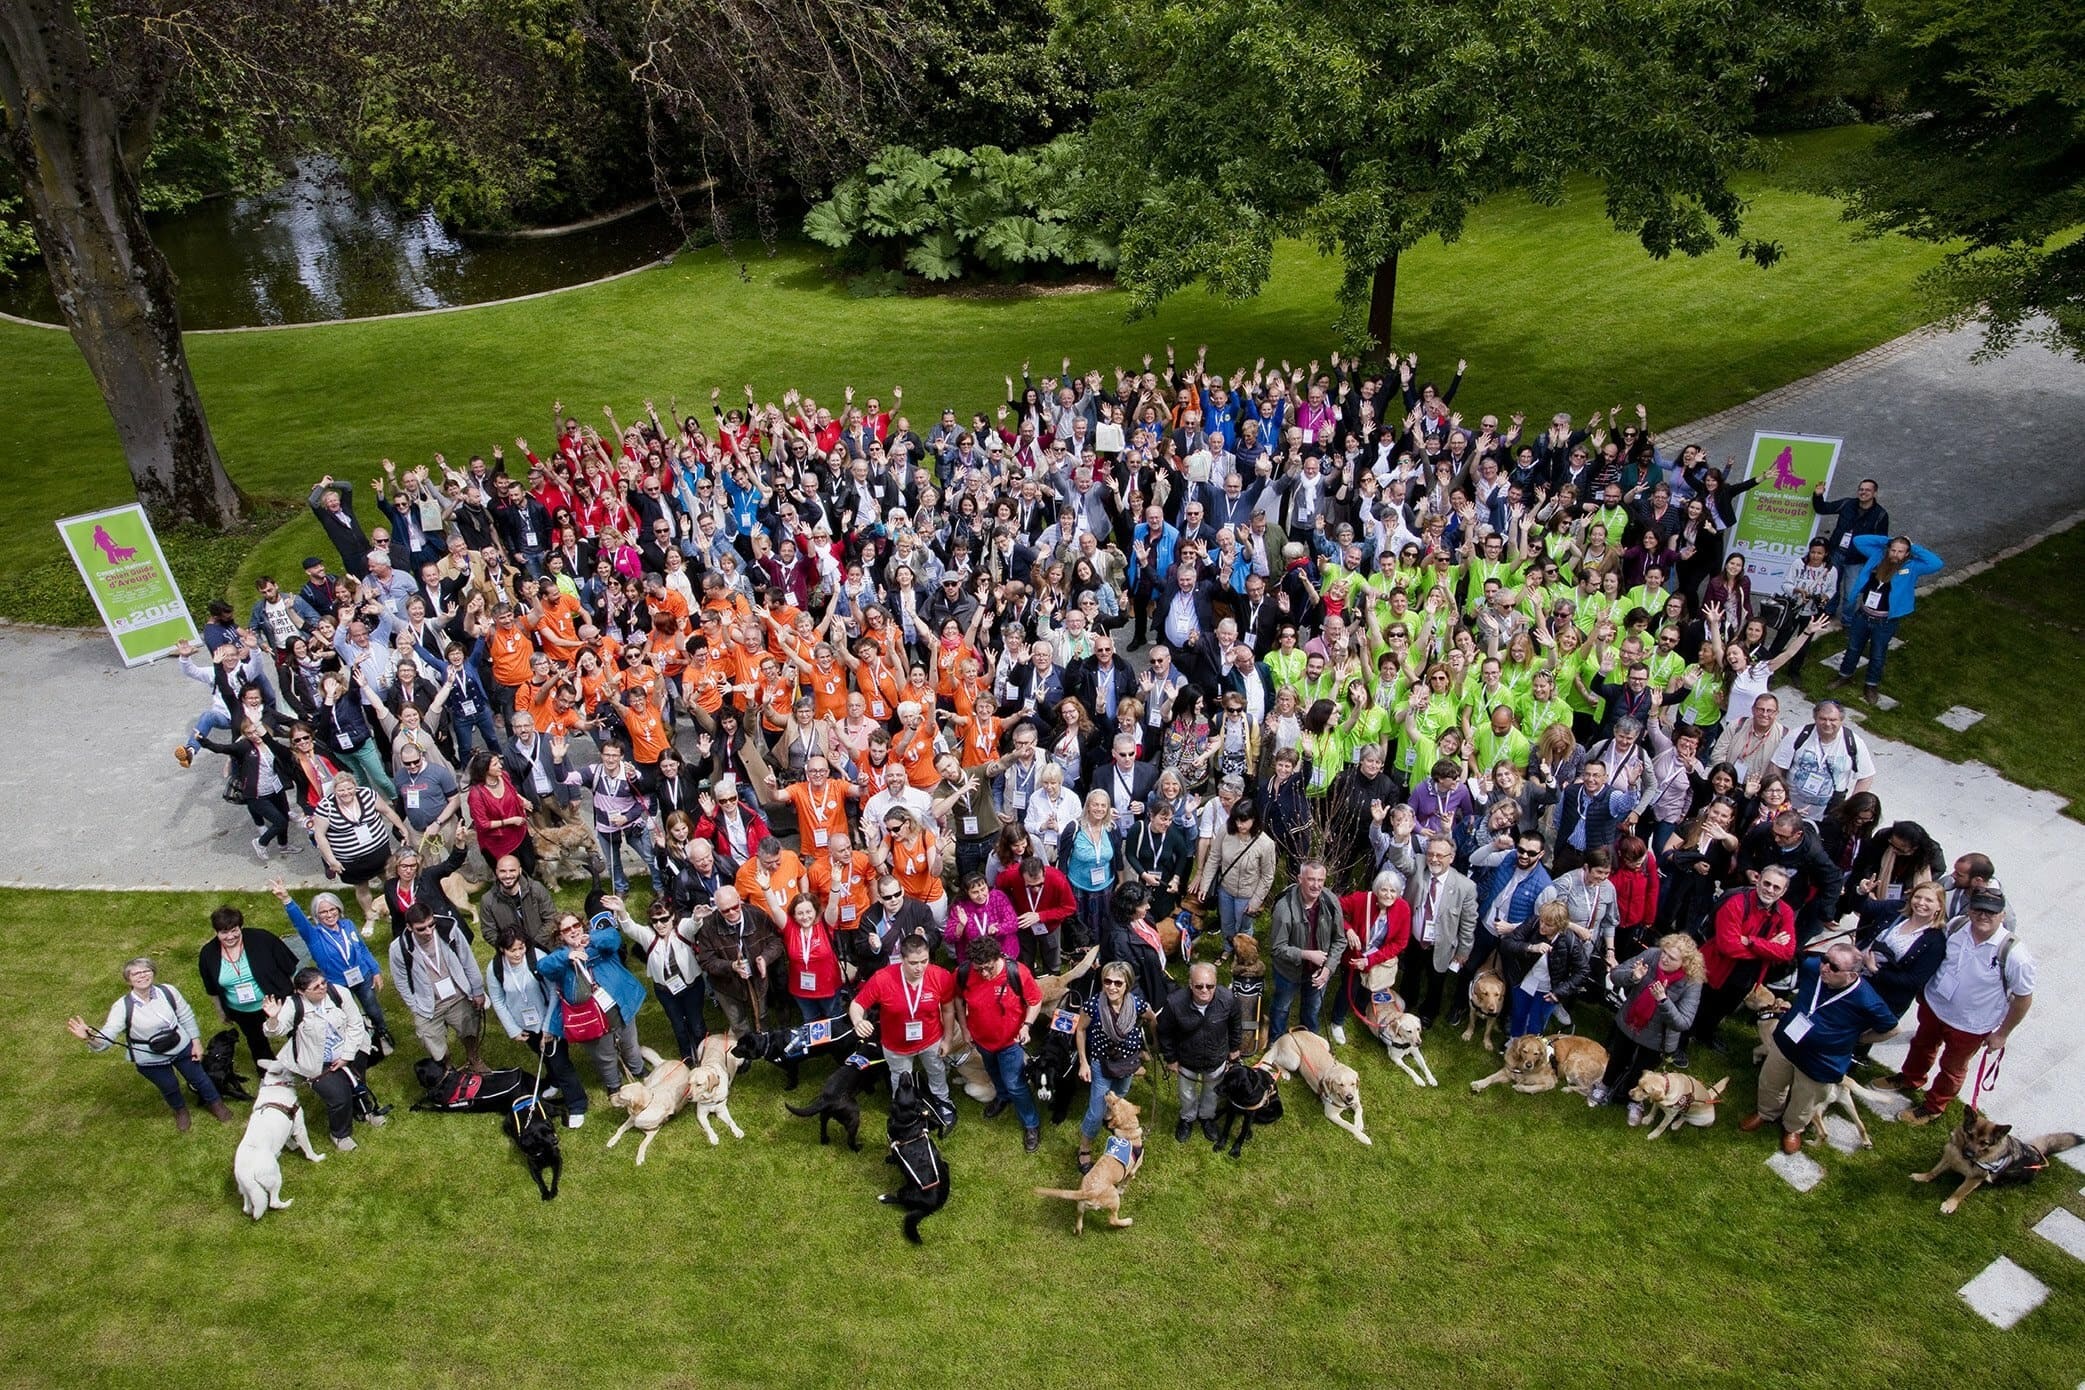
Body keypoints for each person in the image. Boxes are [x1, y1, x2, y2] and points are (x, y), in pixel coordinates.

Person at [1878, 888, 2036, 1126]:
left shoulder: (2015, 955)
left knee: (1952, 1067)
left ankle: (1934, 1106)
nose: (1983, 916)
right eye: (1978, 909)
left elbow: (2023, 999)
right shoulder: (1957, 926)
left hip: (1971, 1024)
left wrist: (2002, 1034)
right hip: (1935, 1006)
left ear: (2002, 915)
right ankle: (1911, 1078)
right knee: (1921, 1045)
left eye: (1991, 912)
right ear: (1970, 910)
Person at [1740, 943, 1896, 1153]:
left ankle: (1793, 1128)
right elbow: (1795, 955)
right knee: (1771, 1081)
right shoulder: (1814, 967)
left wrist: (1858, 1039)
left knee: (1806, 1099)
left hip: (1821, 1061)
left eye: (1834, 967)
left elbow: (1892, 1029)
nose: (1825, 968)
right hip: (1786, 1043)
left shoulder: (1867, 1000)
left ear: (1851, 975)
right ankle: (1765, 1113)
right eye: (1825, 959)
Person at [65, 957, 233, 1131]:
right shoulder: (122, 1007)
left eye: (146, 971)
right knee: (169, 1086)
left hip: (180, 1046)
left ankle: (216, 1104)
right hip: (149, 1058)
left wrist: (196, 1042)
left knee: (199, 1078)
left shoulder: (168, 991)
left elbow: (186, 1015)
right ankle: (180, 1111)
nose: (142, 976)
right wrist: (90, 1037)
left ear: (153, 973)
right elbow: (109, 1034)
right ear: (128, 979)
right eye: (136, 973)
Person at [262, 965, 388, 1148]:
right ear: (301, 992)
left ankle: (364, 1110)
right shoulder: (293, 1004)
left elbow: (355, 1024)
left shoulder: (339, 993)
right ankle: (340, 1134)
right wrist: (273, 1018)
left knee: (358, 1083)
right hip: (318, 1062)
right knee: (339, 1096)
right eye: (316, 987)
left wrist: (346, 1056)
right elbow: (275, 1032)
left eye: (323, 982)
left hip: (351, 1049)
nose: (323, 988)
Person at [849, 933, 959, 1127]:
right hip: (896, 1045)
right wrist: (858, 1021)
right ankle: (902, 1109)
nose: (919, 968)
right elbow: (857, 1004)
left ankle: (942, 1100)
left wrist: (948, 1039)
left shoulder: (940, 976)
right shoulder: (883, 978)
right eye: (913, 963)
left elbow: (948, 1009)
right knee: (900, 1080)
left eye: (924, 961)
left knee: (936, 1071)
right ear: (901, 958)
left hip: (931, 1039)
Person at [272, 881, 394, 1054]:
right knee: (346, 1015)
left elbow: (362, 949)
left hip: (363, 976)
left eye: (332, 909)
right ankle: (356, 1042)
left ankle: (382, 1032)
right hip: (337, 984)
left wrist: (375, 970)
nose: (329, 915)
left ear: (338, 909)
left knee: (373, 1008)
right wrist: (286, 899)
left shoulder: (348, 925)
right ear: (317, 915)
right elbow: (299, 921)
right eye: (323, 912)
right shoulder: (314, 935)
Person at [485, 930, 591, 1128]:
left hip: (549, 1019)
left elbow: (553, 992)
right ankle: (554, 1082)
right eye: (512, 950)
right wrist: (513, 1029)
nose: (518, 954)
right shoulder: (495, 968)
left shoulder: (538, 958)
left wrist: (548, 1027)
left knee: (560, 1062)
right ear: (501, 950)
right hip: (525, 1024)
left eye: (521, 948)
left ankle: (577, 1105)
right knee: (542, 1053)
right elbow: (498, 1000)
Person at [1593, 934, 1706, 1116]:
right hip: (1629, 1023)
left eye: (1672, 958)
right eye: (1665, 953)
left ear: (1685, 963)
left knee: (1642, 1070)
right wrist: (1633, 976)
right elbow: (1615, 974)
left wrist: (1663, 1001)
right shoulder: (1652, 955)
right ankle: (1604, 1086)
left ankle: (1634, 1101)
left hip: (1657, 1038)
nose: (1665, 958)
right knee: (1618, 1058)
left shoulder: (1692, 982)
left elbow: (1684, 1022)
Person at [1690, 865, 1798, 1054]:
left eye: (1776, 887)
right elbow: (1728, 946)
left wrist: (1751, 941)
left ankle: (1705, 1034)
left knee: (1725, 1006)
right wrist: (1769, 945)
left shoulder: (1785, 912)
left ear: (1784, 891)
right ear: (1758, 880)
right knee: (1700, 1004)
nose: (1770, 890)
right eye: (1767, 883)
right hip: (1716, 967)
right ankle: (1682, 1040)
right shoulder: (1736, 902)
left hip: (1748, 974)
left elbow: (1788, 952)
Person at [537, 910, 649, 1092]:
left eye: (576, 925)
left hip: (618, 1005)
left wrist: (592, 940)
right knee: (605, 1055)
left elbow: (614, 938)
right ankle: (614, 1085)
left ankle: (638, 1069)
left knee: (630, 1042)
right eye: (567, 929)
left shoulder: (596, 940)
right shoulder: (560, 957)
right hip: (588, 1016)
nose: (573, 931)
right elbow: (543, 967)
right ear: (560, 936)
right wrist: (567, 957)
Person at [955, 937, 1044, 1152]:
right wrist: (965, 1028)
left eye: (988, 968)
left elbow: (1035, 1001)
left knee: (1015, 1083)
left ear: (999, 957)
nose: (984, 974)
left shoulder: (1017, 972)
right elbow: (958, 999)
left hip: (1010, 1042)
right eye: (979, 969)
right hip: (982, 1040)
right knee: (993, 1072)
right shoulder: (964, 973)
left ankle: (1031, 1123)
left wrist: (1026, 1026)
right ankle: (1002, 1097)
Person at [1832, 533, 1943, 702]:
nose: (1895, 554)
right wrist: (1888, 541)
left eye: (1901, 551)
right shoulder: (1877, 556)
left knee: (1877, 653)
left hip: (1885, 621)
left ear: (1907, 553)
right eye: (1893, 550)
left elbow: (1936, 563)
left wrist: (1914, 546)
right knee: (1853, 647)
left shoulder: (1912, 566)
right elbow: (1859, 541)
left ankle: (1871, 685)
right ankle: (1844, 675)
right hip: (1863, 614)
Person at [1072, 961, 1157, 1171]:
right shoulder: (1093, 1006)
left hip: (1127, 1065)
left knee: (1120, 1095)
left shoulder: (1136, 1004)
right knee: (1096, 1111)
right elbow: (1080, 1030)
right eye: (1107, 981)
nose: (1111, 987)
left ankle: (1111, 1118)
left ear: (1127, 985)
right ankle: (1084, 1148)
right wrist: (1084, 1062)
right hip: (1102, 1064)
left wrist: (1154, 1042)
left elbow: (1152, 1017)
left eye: (1118, 983)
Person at [386, 901, 489, 1072]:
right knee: (432, 1042)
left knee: (470, 1030)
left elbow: (468, 960)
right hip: (428, 1005)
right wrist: (415, 1006)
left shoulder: (448, 929)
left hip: (458, 996)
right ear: (409, 927)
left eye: (431, 925)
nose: (428, 931)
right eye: (421, 928)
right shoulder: (398, 948)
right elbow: (401, 981)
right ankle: (448, 1069)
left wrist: (477, 990)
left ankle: (474, 1058)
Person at [196, 905, 300, 1070]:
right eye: (224, 932)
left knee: (295, 1032)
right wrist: (221, 1011)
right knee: (256, 1040)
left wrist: (296, 997)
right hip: (242, 1010)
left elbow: (289, 967)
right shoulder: (208, 954)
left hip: (276, 999)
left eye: (234, 930)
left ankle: (303, 1062)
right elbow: (212, 988)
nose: (230, 936)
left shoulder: (262, 939)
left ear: (240, 927)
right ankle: (268, 1072)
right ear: (216, 932)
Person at [1393, 836, 1478, 1027]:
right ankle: (1404, 1004)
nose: (1434, 859)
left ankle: (1428, 1013)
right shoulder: (1419, 866)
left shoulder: (1465, 887)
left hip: (1441, 945)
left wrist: (1464, 951)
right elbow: (1399, 860)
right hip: (1415, 939)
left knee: (1436, 981)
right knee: (1410, 976)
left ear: (1451, 857)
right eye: (1430, 853)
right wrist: (1399, 838)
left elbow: (1468, 922)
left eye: (1440, 855)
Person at [1158, 962, 1243, 1143]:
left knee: (1212, 1092)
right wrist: (1171, 1058)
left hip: (1216, 1058)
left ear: (1216, 983)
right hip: (1186, 1059)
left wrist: (1234, 1048)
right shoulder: (1174, 1003)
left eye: (1210, 986)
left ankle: (1206, 1117)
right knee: (1186, 1093)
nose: (1205, 990)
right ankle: (1187, 1118)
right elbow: (1164, 1032)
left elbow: (1236, 1025)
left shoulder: (1228, 1000)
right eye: (1199, 986)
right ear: (1190, 984)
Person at [617, 895, 707, 1064]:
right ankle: (687, 1058)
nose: (659, 924)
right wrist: (622, 910)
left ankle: (704, 1055)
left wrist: (696, 917)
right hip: (665, 991)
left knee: (696, 1024)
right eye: (655, 921)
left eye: (664, 919)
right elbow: (630, 928)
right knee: (678, 1026)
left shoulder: (682, 930)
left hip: (692, 986)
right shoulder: (649, 936)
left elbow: (692, 925)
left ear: (673, 916)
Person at [1328, 868, 1410, 1047]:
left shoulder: (1403, 909)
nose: (1388, 895)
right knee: (1349, 988)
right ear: (1376, 890)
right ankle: (1337, 1021)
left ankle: (1360, 1009)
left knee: (1369, 987)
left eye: (1393, 891)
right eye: (1384, 890)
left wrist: (1371, 960)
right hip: (1355, 957)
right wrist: (1348, 929)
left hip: (1376, 960)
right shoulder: (1362, 900)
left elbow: (1400, 942)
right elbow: (1334, 907)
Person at [1267, 858, 1345, 1036]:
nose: (1316, 885)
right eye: (1311, 879)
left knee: (1312, 1010)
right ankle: (1275, 1042)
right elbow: (1277, 948)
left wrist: (1328, 969)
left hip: (1319, 972)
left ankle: (1309, 1043)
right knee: (1281, 1008)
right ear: (1300, 879)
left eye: (1320, 880)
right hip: (1288, 972)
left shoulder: (1331, 902)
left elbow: (1340, 940)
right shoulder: (1284, 908)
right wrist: (1307, 954)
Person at [693, 886, 784, 1038]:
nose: (731, 913)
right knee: (737, 1021)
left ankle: (764, 1040)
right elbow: (706, 961)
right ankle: (745, 1047)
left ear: (740, 901)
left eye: (735, 907)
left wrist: (765, 958)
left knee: (761, 1014)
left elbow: (776, 941)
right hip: (726, 984)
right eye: (725, 911)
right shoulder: (708, 926)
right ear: (718, 909)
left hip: (757, 976)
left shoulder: (757, 915)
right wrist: (731, 966)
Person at [1497, 900, 1592, 1040]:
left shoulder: (1570, 941)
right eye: (1542, 921)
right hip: (1523, 981)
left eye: (1548, 925)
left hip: (1547, 990)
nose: (1542, 926)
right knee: (1518, 1015)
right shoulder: (1533, 923)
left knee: (1536, 1024)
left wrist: (1559, 992)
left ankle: (1530, 1051)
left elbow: (1583, 970)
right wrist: (1530, 947)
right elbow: (1507, 943)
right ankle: (1514, 1043)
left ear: (1559, 926)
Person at [1193, 797, 1279, 943]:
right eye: (1236, 820)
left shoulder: (1266, 844)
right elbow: (1214, 858)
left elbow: (1267, 876)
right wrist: (1205, 885)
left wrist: (1255, 901)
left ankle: (1244, 956)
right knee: (1226, 924)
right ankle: (1227, 949)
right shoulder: (1225, 831)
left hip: (1247, 894)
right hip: (1226, 890)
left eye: (1244, 821)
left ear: (1254, 819)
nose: (1239, 825)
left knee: (1244, 928)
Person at [995, 854, 1077, 973]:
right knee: (1025, 959)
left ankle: (1052, 979)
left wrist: (1040, 916)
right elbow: (999, 890)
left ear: (1044, 873)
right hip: (1023, 924)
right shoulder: (1011, 875)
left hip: (1050, 925)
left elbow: (1070, 907)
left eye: (1040, 884)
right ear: (1021, 876)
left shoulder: (1057, 878)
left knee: (1052, 958)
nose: (1036, 889)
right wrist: (1010, 911)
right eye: (1030, 886)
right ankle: (1027, 981)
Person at [779, 892, 845, 1025]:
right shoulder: (790, 928)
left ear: (816, 911)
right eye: (800, 913)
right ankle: (816, 1046)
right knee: (810, 1021)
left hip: (828, 986)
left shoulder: (825, 925)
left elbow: (832, 906)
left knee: (834, 1019)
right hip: (801, 989)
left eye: (809, 911)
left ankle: (837, 1045)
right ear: (794, 915)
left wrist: (836, 884)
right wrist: (766, 888)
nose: (805, 917)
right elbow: (775, 908)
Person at [477, 854, 559, 951]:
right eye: (503, 871)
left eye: (512, 870)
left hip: (544, 947)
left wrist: (534, 944)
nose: (508, 875)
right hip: (512, 953)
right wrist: (510, 947)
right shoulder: (488, 900)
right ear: (496, 872)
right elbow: (488, 931)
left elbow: (551, 918)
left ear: (519, 871)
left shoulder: (536, 889)